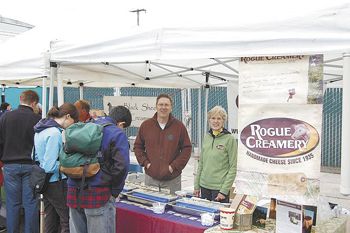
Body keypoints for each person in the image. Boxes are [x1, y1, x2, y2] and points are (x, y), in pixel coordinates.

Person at [67, 106, 131, 233]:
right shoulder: (117, 133)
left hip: (73, 191)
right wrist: (114, 191)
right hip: (99, 193)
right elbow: (122, 166)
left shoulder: (84, 126)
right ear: (121, 123)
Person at [34, 103, 79, 233]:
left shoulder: (41, 129)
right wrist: (67, 162)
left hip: (45, 182)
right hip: (56, 182)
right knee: (66, 219)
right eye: (73, 121)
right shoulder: (54, 133)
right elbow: (50, 165)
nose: (72, 125)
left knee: (51, 218)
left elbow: (37, 157)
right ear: (68, 116)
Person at [0, 90, 41, 233]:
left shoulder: (5, 117)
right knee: (30, 203)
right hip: (30, 165)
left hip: (10, 165)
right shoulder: (37, 119)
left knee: (12, 204)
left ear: (20, 99)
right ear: (34, 102)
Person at [134, 93, 192, 194]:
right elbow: (138, 146)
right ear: (156, 106)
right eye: (161, 104)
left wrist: (173, 167)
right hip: (150, 178)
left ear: (171, 108)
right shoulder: (146, 125)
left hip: (172, 179)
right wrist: (146, 164)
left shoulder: (179, 127)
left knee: (171, 208)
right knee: (150, 207)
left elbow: (187, 149)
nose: (163, 107)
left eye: (166, 105)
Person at [194, 106, 237, 203]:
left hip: (219, 190)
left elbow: (233, 167)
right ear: (209, 120)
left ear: (223, 121)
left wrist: (224, 191)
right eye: (213, 118)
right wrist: (196, 185)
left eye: (219, 118)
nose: (215, 121)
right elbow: (201, 163)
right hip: (204, 186)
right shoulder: (207, 137)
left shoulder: (230, 139)